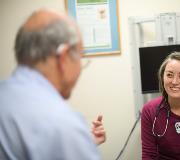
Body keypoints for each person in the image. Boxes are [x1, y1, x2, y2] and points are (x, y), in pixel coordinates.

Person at [0, 8, 106, 160]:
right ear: (63, 57)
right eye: (80, 57)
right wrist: (75, 143)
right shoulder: (64, 124)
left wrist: (80, 145)